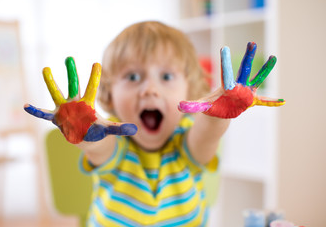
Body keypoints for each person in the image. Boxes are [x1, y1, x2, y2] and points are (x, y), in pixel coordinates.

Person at [24, 21, 284, 226]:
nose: (149, 89)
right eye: (133, 76)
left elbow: (206, 136)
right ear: (109, 93)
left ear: (190, 88)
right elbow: (100, 148)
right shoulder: (116, 140)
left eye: (166, 76)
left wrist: (216, 116)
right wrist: (85, 133)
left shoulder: (187, 144)